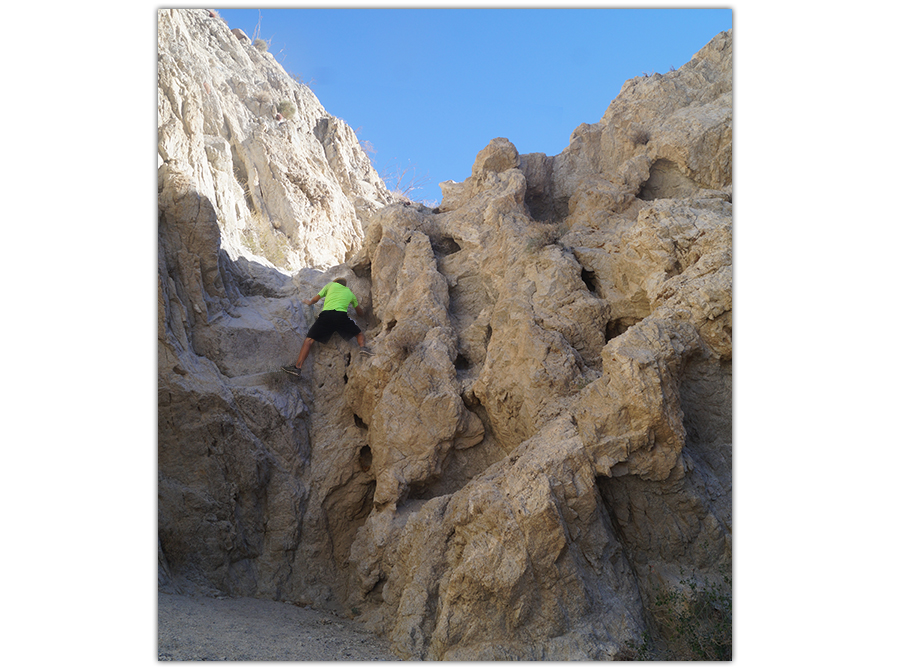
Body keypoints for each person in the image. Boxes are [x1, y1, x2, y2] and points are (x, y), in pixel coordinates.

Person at [282, 278, 372, 376]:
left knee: (309, 340)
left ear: (335, 282)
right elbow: (359, 311)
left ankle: (297, 368)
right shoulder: (350, 293)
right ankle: (363, 348)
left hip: (327, 316)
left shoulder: (330, 285)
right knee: (359, 334)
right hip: (341, 317)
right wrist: (365, 314)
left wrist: (309, 302)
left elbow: (316, 299)